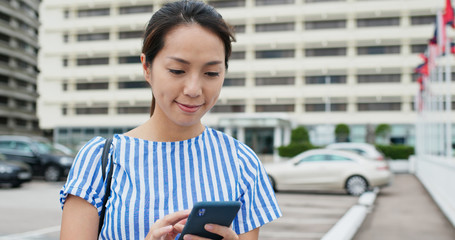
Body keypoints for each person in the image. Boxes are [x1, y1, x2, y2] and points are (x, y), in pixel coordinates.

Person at [59, 1, 282, 239]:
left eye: (211, 73)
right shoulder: (99, 160)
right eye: (177, 70)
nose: (194, 89)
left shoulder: (242, 163)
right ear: (147, 67)